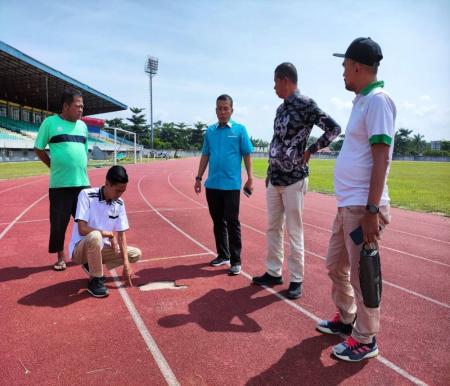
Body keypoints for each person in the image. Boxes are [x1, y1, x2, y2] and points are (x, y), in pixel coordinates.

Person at [316, 37, 396, 362]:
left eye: (345, 65)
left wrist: (373, 210)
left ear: (358, 66)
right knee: (335, 265)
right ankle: (348, 318)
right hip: (347, 205)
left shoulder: (378, 101)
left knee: (363, 276)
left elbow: (382, 157)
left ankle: (366, 339)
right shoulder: (361, 102)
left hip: (364, 207)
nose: (342, 71)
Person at [252, 62, 341, 299]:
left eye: (275, 82)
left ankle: (297, 279)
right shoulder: (280, 110)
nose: (273, 87)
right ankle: (273, 271)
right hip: (276, 179)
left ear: (285, 80)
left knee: (294, 230)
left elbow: (333, 129)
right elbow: (277, 141)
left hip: (294, 179)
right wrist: (270, 172)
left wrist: (312, 150)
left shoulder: (306, 105)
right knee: (272, 227)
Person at [194, 94, 253, 276]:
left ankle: (236, 261)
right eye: (219, 108)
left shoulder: (240, 130)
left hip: (231, 185)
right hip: (212, 185)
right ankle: (223, 255)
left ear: (231, 110)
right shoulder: (210, 131)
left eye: (226, 108)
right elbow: (205, 155)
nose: (222, 111)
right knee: (217, 221)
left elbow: (246, 154)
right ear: (215, 110)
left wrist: (250, 177)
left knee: (232, 222)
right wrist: (198, 177)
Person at [34, 89, 90, 271]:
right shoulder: (50, 123)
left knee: (87, 222)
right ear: (66, 106)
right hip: (60, 185)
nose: (81, 109)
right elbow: (39, 148)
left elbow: (84, 150)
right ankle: (60, 256)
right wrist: (52, 165)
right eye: (77, 106)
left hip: (82, 183)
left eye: (82, 106)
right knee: (59, 222)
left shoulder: (83, 126)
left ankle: (89, 253)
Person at [69, 165, 141, 298]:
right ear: (107, 184)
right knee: (96, 236)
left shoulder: (119, 203)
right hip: (80, 249)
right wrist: (108, 234)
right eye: (117, 191)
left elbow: (121, 234)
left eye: (123, 191)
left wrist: (126, 264)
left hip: (101, 248)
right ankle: (95, 281)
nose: (119, 195)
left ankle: (92, 264)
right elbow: (82, 229)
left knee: (135, 254)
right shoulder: (86, 195)